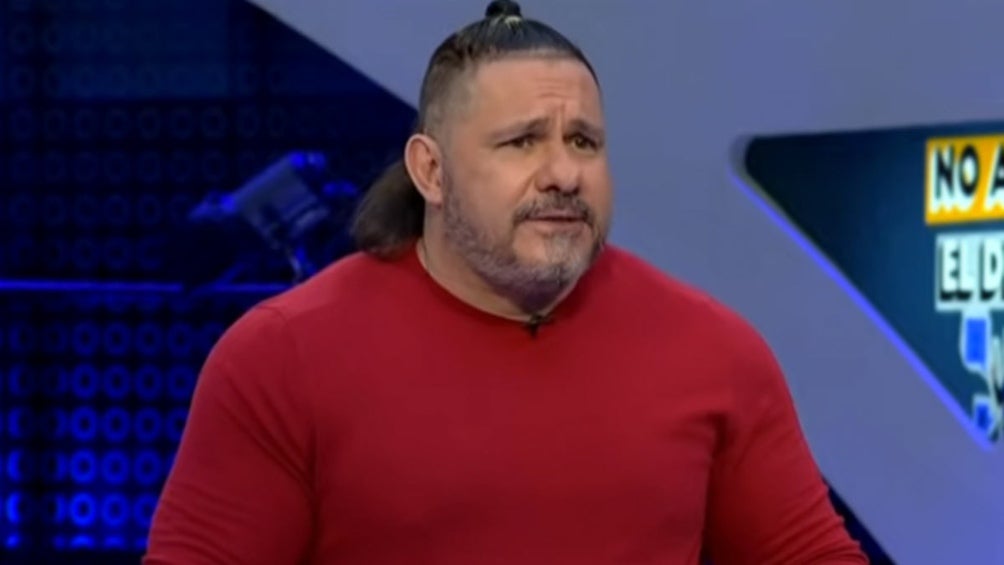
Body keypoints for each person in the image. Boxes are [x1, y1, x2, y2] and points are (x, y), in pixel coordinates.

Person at [144, 1, 870, 563]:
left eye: (583, 141)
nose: (563, 173)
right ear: (431, 170)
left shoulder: (714, 353)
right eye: (522, 141)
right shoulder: (282, 358)